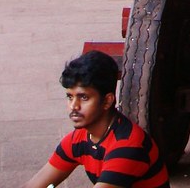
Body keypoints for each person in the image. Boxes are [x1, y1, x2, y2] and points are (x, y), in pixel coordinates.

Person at [20, 50, 170, 188]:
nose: (74, 106)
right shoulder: (77, 140)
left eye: (83, 97)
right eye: (69, 96)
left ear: (107, 101)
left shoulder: (128, 146)